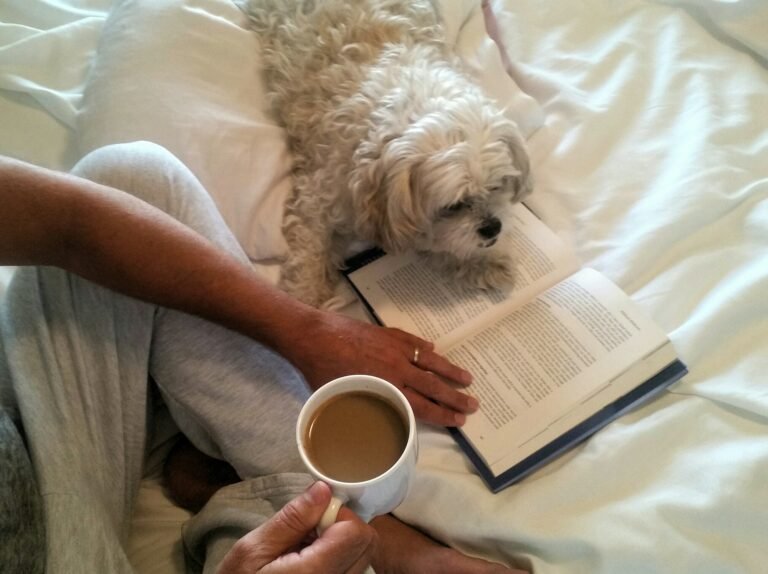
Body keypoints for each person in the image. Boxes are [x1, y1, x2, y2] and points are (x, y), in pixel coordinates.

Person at [0, 142, 525, 573]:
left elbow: (63, 220)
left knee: (131, 178)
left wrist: (308, 331)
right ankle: (370, 540)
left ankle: (248, 492)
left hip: (28, 445)